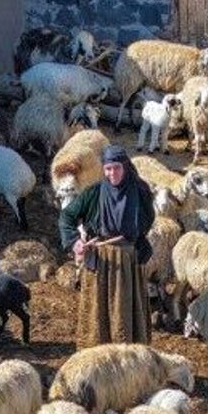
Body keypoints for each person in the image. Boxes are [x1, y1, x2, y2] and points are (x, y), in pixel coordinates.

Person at [58, 144, 156, 347]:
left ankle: (127, 355)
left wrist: (133, 239)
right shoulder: (94, 193)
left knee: (124, 307)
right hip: (100, 259)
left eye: (117, 168)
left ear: (126, 167)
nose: (112, 173)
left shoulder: (139, 191)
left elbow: (148, 218)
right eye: (108, 168)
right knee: (98, 308)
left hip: (128, 260)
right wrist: (75, 241)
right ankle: (97, 354)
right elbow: (67, 216)